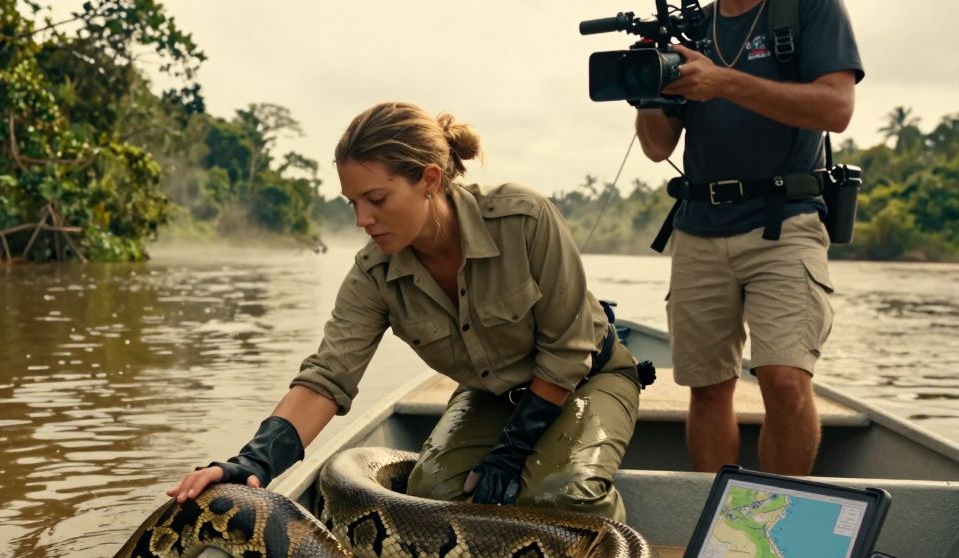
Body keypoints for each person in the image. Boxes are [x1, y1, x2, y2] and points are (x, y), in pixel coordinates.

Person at [169, 102, 647, 522]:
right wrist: (253, 463)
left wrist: (513, 450)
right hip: (494, 393)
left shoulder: (524, 219)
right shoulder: (373, 274)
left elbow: (567, 351)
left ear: (430, 179)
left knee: (563, 495)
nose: (361, 220)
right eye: (353, 203)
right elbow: (326, 378)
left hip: (590, 377)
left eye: (376, 199)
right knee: (432, 495)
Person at [634, 0, 863, 475]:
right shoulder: (693, 25)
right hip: (699, 226)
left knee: (785, 380)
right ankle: (721, 531)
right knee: (708, 386)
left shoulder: (809, 9)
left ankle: (782, 524)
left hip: (786, 221)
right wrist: (648, 87)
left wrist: (723, 82)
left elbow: (837, 109)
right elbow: (658, 149)